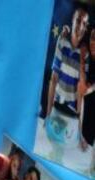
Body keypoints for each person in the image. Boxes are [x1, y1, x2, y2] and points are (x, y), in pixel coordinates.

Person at [44, 5, 89, 153]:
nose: (80, 26)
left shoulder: (85, 55)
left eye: (84, 23)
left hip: (71, 114)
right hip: (57, 107)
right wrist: (48, 114)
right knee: (49, 147)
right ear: (72, 20)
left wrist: (80, 132)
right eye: (78, 20)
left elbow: (81, 95)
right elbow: (53, 79)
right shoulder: (62, 42)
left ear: (86, 28)